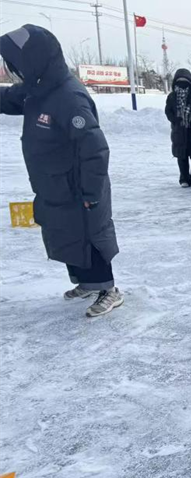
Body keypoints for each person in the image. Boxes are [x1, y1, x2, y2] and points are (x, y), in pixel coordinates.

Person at [0, 25, 123, 317]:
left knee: (89, 234)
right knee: (65, 233)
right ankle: (87, 282)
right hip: (54, 184)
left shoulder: (69, 97)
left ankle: (108, 289)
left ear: (35, 59)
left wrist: (92, 192)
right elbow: (7, 99)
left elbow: (95, 148)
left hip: (78, 184)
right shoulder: (38, 89)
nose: (14, 70)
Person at [165, 68, 191, 188]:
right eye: (179, 81)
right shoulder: (172, 96)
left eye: (185, 81)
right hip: (179, 131)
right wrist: (175, 120)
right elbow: (168, 111)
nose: (182, 84)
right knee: (182, 157)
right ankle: (184, 179)